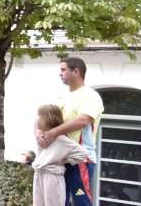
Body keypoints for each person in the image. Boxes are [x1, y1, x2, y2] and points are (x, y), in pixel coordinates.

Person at [36, 57, 103, 206]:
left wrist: (52, 133)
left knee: (81, 200)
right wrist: (38, 132)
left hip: (80, 159)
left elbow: (83, 120)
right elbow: (42, 116)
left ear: (76, 71)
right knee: (60, 200)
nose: (60, 74)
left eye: (63, 70)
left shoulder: (91, 96)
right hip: (60, 159)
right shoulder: (62, 97)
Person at [32, 104, 92, 206]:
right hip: (39, 175)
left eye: (40, 116)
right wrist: (37, 132)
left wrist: (63, 159)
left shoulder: (61, 139)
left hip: (52, 176)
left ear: (48, 119)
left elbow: (83, 153)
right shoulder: (42, 137)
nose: (37, 119)